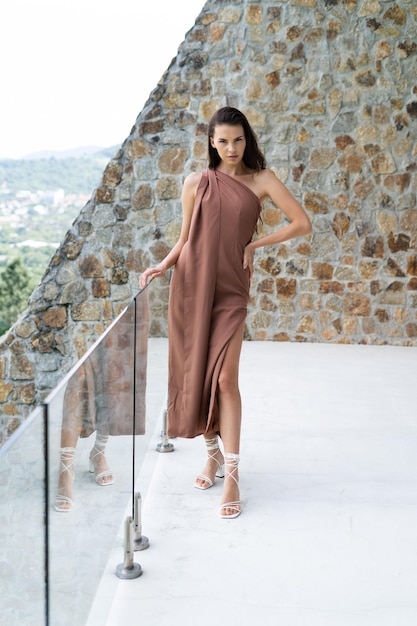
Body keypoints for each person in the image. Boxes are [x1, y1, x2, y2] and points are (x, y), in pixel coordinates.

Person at [140, 106, 312, 519]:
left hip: (232, 289)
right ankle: (213, 455)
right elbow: (185, 239)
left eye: (238, 139)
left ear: (246, 139)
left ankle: (232, 475)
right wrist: (163, 265)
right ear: (211, 143)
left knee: (226, 377)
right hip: (191, 286)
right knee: (197, 374)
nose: (231, 148)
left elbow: (301, 223)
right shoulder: (196, 182)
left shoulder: (263, 180)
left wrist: (253, 246)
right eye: (223, 141)